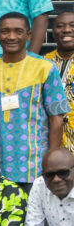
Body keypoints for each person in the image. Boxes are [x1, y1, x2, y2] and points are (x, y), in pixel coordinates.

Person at [0, 12, 68, 188]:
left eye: (18, 31)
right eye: (5, 31)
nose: (11, 36)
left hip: (35, 166)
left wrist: (51, 159)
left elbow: (56, 118)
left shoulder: (44, 67)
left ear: (28, 35)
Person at [44, 10, 74, 153]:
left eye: (72, 25)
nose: (67, 30)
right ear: (53, 33)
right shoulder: (42, 64)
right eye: (60, 26)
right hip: (48, 142)